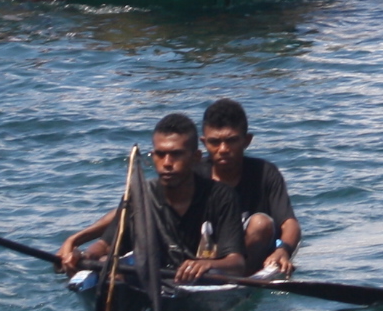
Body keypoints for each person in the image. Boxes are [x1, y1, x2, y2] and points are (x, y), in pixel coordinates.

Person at [55, 113, 246, 282]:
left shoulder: (222, 196)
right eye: (160, 155)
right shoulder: (140, 195)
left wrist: (208, 265)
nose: (167, 163)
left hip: (198, 281)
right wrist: (84, 256)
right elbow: (105, 244)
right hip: (152, 280)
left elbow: (237, 263)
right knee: (108, 265)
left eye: (176, 155)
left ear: (196, 157)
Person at [200, 98, 299, 275]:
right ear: (204, 142)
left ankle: (236, 276)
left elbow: (290, 223)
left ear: (247, 140)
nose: (223, 149)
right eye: (214, 142)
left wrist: (283, 250)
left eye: (231, 141)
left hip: (248, 258)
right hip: (206, 255)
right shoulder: (192, 177)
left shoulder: (265, 173)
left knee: (260, 224)